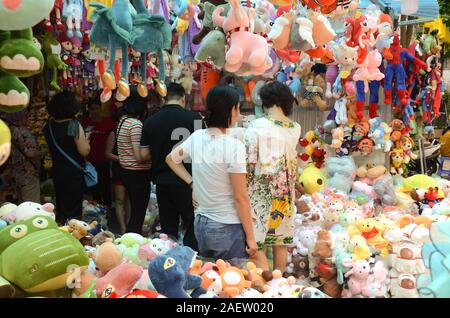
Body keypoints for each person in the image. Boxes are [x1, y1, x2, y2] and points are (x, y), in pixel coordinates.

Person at [166, 85, 257, 261]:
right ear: (232, 110)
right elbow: (240, 197)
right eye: (237, 107)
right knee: (232, 282)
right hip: (227, 226)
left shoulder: (197, 136)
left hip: (201, 224)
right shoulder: (233, 146)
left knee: (211, 278)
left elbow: (171, 159)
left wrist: (192, 183)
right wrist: (251, 238)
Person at [244, 81, 301, 272]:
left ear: (266, 101)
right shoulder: (295, 127)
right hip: (285, 192)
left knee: (256, 240)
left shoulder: (256, 126)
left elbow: (249, 160)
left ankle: (264, 283)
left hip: (259, 190)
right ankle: (280, 283)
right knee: (280, 240)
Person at [140, 83, 202, 250]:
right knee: (192, 223)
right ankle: (191, 259)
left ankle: (167, 262)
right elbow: (202, 151)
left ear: (163, 98)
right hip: (188, 181)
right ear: (183, 98)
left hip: (162, 182)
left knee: (167, 230)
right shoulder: (194, 118)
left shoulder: (150, 121)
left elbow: (144, 155)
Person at [44, 91, 91, 224]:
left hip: (58, 171)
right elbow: (84, 151)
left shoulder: (48, 127)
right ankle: (73, 235)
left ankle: (61, 230)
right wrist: (86, 139)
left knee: (62, 207)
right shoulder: (73, 125)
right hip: (73, 173)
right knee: (74, 210)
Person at [117, 87, 150, 233]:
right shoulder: (135, 125)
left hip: (126, 172)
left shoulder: (123, 121)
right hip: (138, 174)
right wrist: (154, 150)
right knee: (138, 214)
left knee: (134, 212)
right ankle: (132, 240)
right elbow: (140, 157)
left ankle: (130, 237)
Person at [0, 110, 48, 203]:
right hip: (27, 173)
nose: (27, 118)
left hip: (15, 173)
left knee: (22, 203)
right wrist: (46, 150)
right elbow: (31, 154)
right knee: (31, 204)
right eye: (25, 116)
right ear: (19, 118)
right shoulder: (22, 132)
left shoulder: (9, 130)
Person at [82, 98, 116, 207]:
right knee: (92, 187)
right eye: (92, 109)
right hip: (89, 162)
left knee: (106, 186)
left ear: (100, 109)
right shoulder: (85, 123)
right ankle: (95, 209)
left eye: (97, 109)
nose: (95, 111)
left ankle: (108, 209)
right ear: (89, 110)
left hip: (104, 160)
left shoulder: (108, 123)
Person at [105, 108, 130, 234]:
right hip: (119, 170)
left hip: (130, 170)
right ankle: (122, 228)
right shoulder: (113, 133)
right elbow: (107, 153)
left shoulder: (133, 132)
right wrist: (122, 159)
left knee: (128, 200)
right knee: (120, 200)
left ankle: (129, 225)